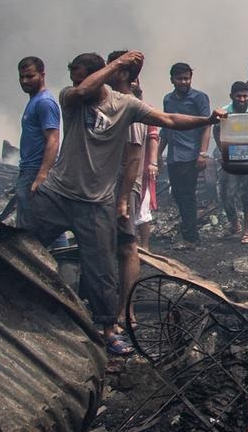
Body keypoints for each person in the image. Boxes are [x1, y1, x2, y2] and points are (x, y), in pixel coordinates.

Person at [19, 51, 223, 354]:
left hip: (96, 201)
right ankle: (8, 299)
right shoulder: (70, 97)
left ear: (97, 75)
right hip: (59, 192)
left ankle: (109, 329)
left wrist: (206, 120)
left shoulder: (124, 105)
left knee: (102, 270)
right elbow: (85, 90)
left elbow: (168, 119)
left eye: (81, 76)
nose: (77, 84)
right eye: (75, 78)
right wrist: (118, 63)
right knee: (24, 244)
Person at [106, 51, 147, 333]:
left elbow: (133, 158)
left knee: (126, 245)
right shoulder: (108, 102)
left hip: (122, 184)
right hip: (106, 183)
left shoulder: (131, 107)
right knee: (111, 246)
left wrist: (123, 196)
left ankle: (126, 309)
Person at [160, 62, 212, 248]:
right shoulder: (168, 100)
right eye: (180, 78)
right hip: (174, 155)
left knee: (187, 195)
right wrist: (158, 154)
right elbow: (165, 128)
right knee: (178, 195)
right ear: (172, 79)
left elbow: (207, 125)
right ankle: (188, 232)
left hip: (191, 154)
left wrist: (203, 154)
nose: (184, 82)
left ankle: (191, 238)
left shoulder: (199, 98)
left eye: (187, 78)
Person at [15, 56, 61, 225]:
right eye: (22, 77)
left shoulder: (44, 102)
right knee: (42, 219)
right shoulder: (34, 101)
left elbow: (53, 139)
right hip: (28, 168)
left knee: (31, 223)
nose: (25, 81)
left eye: (30, 76)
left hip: (35, 170)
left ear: (42, 75)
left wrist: (42, 174)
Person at [214, 81, 248, 243]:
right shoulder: (225, 112)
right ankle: (235, 225)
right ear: (231, 96)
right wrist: (222, 151)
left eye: (245, 96)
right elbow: (215, 129)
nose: (242, 99)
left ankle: (247, 231)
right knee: (226, 194)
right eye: (238, 96)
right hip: (231, 161)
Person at [131, 81, 160, 251]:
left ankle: (145, 247)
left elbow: (153, 136)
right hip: (121, 166)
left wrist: (153, 163)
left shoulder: (145, 108)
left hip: (141, 166)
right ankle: (131, 246)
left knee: (142, 209)